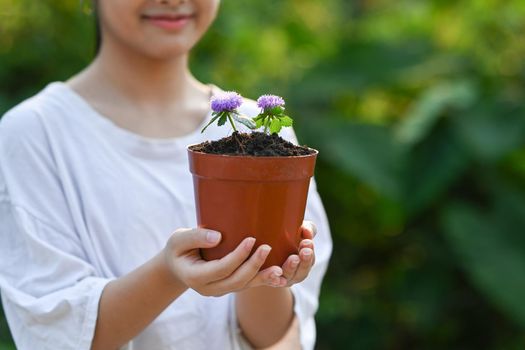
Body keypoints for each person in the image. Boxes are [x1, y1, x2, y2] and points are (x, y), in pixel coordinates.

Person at [0, 0, 333, 349]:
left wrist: (267, 271)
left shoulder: (263, 130)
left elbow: (277, 340)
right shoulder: (35, 134)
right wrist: (170, 273)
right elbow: (56, 334)